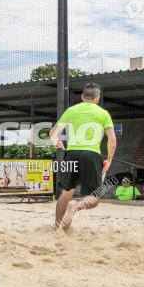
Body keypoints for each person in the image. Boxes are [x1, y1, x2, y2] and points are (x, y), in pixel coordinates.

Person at [49, 82, 116, 231]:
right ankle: (75, 208)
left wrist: (57, 143)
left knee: (66, 193)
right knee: (95, 197)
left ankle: (57, 227)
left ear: (82, 96)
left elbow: (52, 133)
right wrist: (109, 159)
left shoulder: (71, 110)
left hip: (71, 153)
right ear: (97, 97)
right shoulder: (103, 113)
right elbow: (112, 139)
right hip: (91, 155)